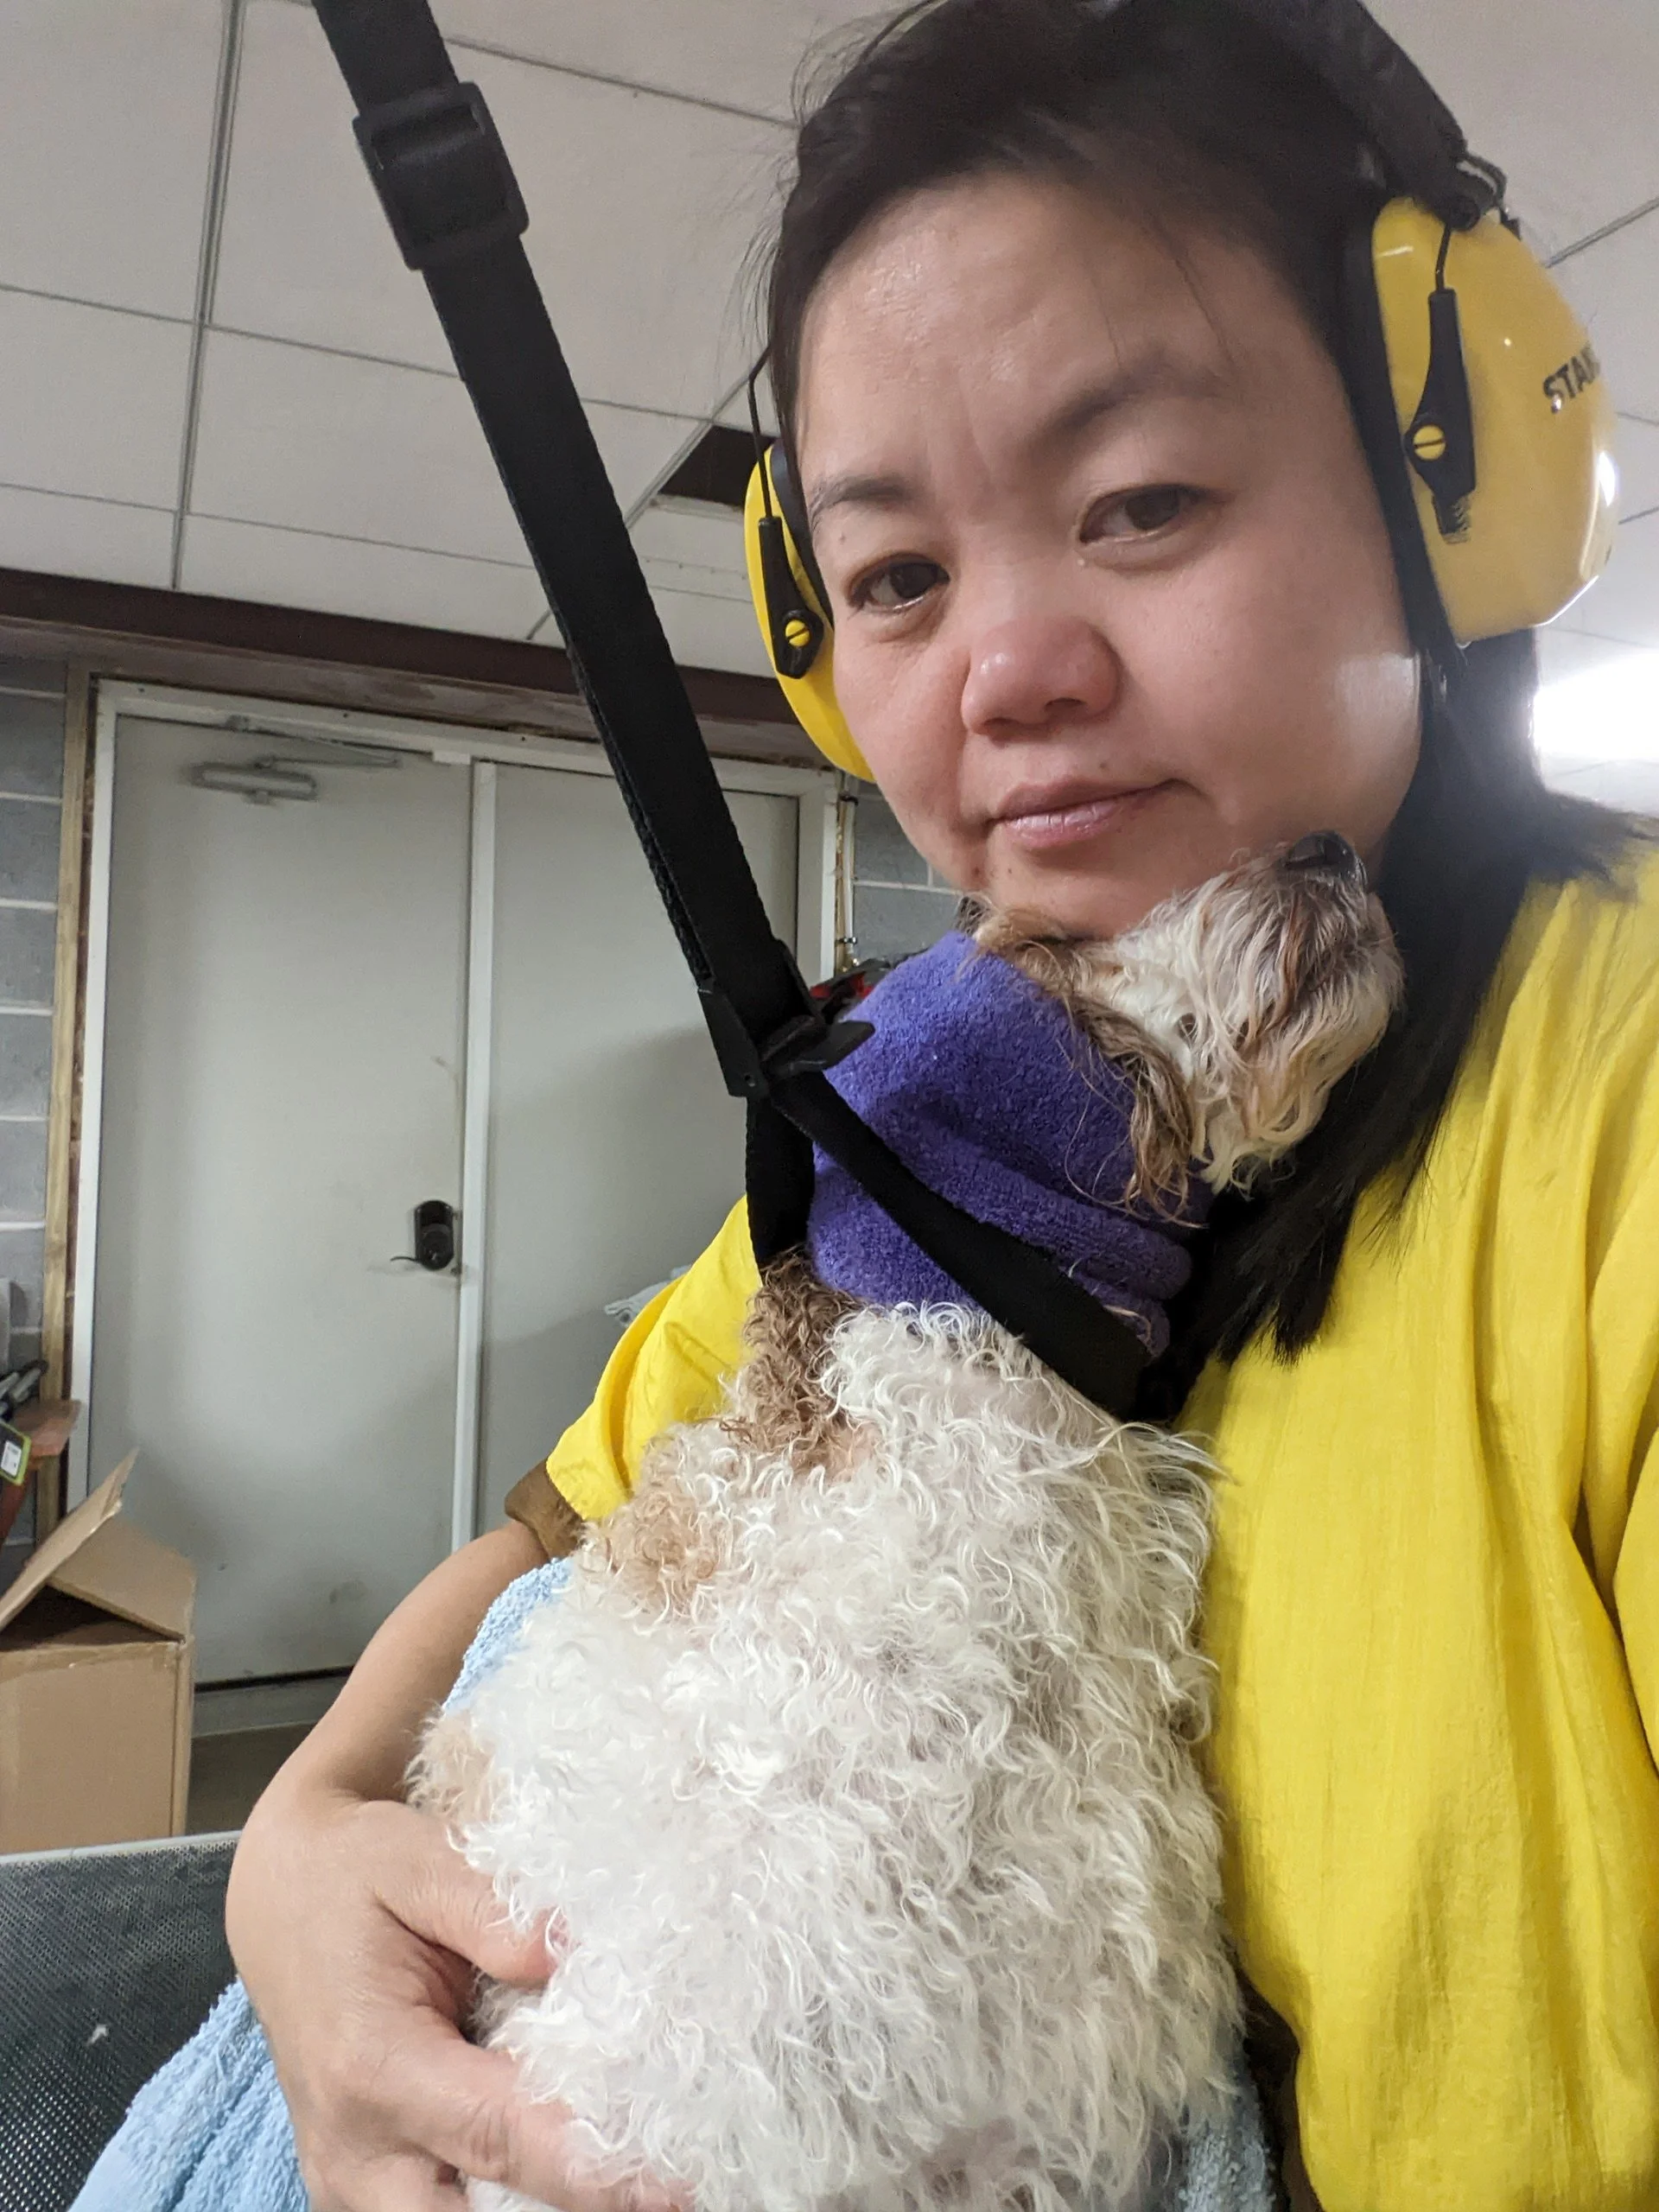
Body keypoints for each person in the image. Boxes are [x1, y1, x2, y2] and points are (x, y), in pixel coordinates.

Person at [226, 3, 1659, 2208]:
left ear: (1448, 489)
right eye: (896, 576)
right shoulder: (938, 1099)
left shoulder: (1615, 1110)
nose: (1005, 670)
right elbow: (549, 1533)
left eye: (1142, 501)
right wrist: (303, 1833)